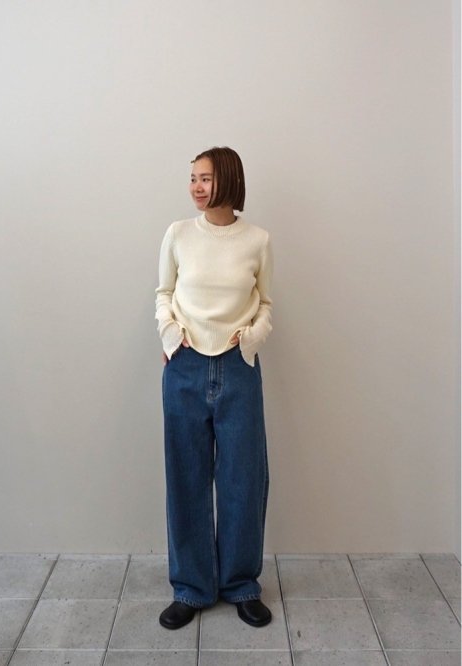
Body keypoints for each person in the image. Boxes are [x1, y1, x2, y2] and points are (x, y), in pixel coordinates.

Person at [155, 146, 273, 630]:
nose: (196, 188)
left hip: (239, 367)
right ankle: (191, 588)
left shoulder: (258, 240)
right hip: (184, 367)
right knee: (186, 478)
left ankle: (241, 584)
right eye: (192, 178)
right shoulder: (178, 234)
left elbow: (266, 303)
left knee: (244, 479)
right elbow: (164, 294)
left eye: (205, 178)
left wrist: (252, 338)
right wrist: (170, 335)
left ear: (229, 179)